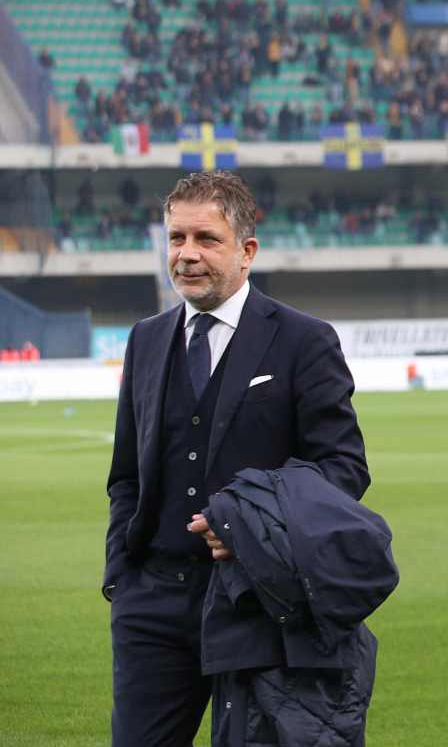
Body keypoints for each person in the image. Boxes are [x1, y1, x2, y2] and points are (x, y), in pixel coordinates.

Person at [104, 170, 369, 747]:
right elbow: (126, 474)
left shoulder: (304, 340)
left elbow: (343, 469)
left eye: (206, 239)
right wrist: (121, 580)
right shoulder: (145, 339)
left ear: (247, 251)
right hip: (153, 603)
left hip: (257, 600)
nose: (187, 255)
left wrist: (251, 526)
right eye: (176, 238)